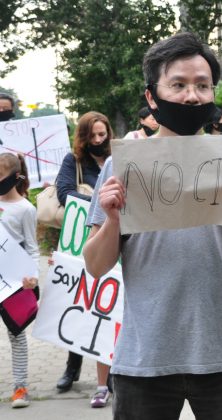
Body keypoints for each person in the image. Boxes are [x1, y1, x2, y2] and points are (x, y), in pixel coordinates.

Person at [82, 32, 222, 419]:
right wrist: (112, 220)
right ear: (152, 96)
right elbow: (95, 265)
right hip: (144, 357)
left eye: (202, 85)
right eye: (178, 85)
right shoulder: (121, 167)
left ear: (213, 93)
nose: (192, 96)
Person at [54, 111, 113, 408]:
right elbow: (64, 193)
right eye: (93, 136)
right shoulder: (74, 161)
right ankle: (72, 367)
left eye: (103, 135)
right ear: (84, 137)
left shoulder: (115, 159)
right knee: (80, 306)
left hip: (111, 243)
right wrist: (102, 206)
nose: (99, 140)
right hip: (79, 244)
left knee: (107, 309)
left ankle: (109, 371)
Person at [0, 152, 39, 409]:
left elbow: (33, 247)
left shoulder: (26, 209)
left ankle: (20, 387)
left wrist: (33, 276)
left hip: (14, 283)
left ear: (15, 177)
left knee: (16, 335)